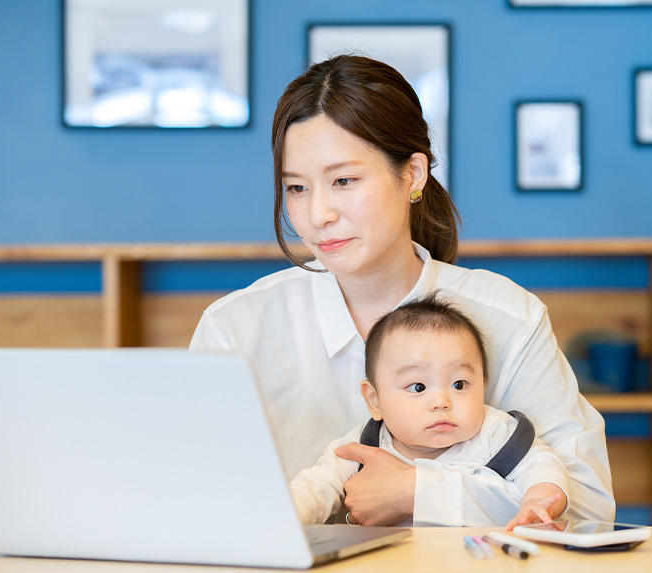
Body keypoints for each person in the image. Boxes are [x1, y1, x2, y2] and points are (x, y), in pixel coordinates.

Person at [189, 54, 614, 526]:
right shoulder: (233, 329)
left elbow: (588, 510)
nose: (318, 214)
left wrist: (420, 493)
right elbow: (197, 506)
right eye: (296, 188)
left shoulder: (511, 318)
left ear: (412, 174)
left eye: (343, 180)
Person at [289, 294, 567, 529]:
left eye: (459, 384)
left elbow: (542, 465)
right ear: (374, 400)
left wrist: (536, 500)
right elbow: (313, 490)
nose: (441, 401)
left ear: (482, 386)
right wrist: (285, 517)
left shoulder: (495, 434)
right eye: (418, 386)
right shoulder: (362, 448)